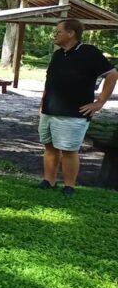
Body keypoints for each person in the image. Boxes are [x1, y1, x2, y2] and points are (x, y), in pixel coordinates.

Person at [38, 19, 118, 196]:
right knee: (49, 147)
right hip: (49, 111)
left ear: (71, 33)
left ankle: (69, 186)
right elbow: (49, 82)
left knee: (68, 150)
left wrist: (99, 102)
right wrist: (42, 103)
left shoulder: (89, 52)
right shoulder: (58, 55)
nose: (55, 35)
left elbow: (112, 75)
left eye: (58, 32)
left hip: (74, 113)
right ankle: (48, 181)